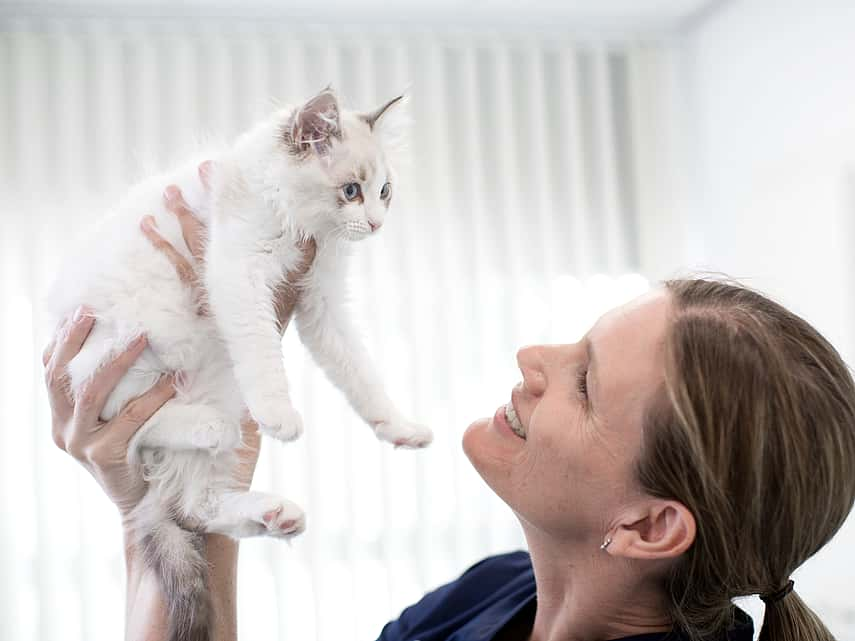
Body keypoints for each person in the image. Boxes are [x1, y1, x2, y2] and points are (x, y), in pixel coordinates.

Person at [43, 176, 855, 641]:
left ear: (648, 527)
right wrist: (174, 505)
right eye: (575, 343)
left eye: (583, 382)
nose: (533, 361)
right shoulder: (498, 596)